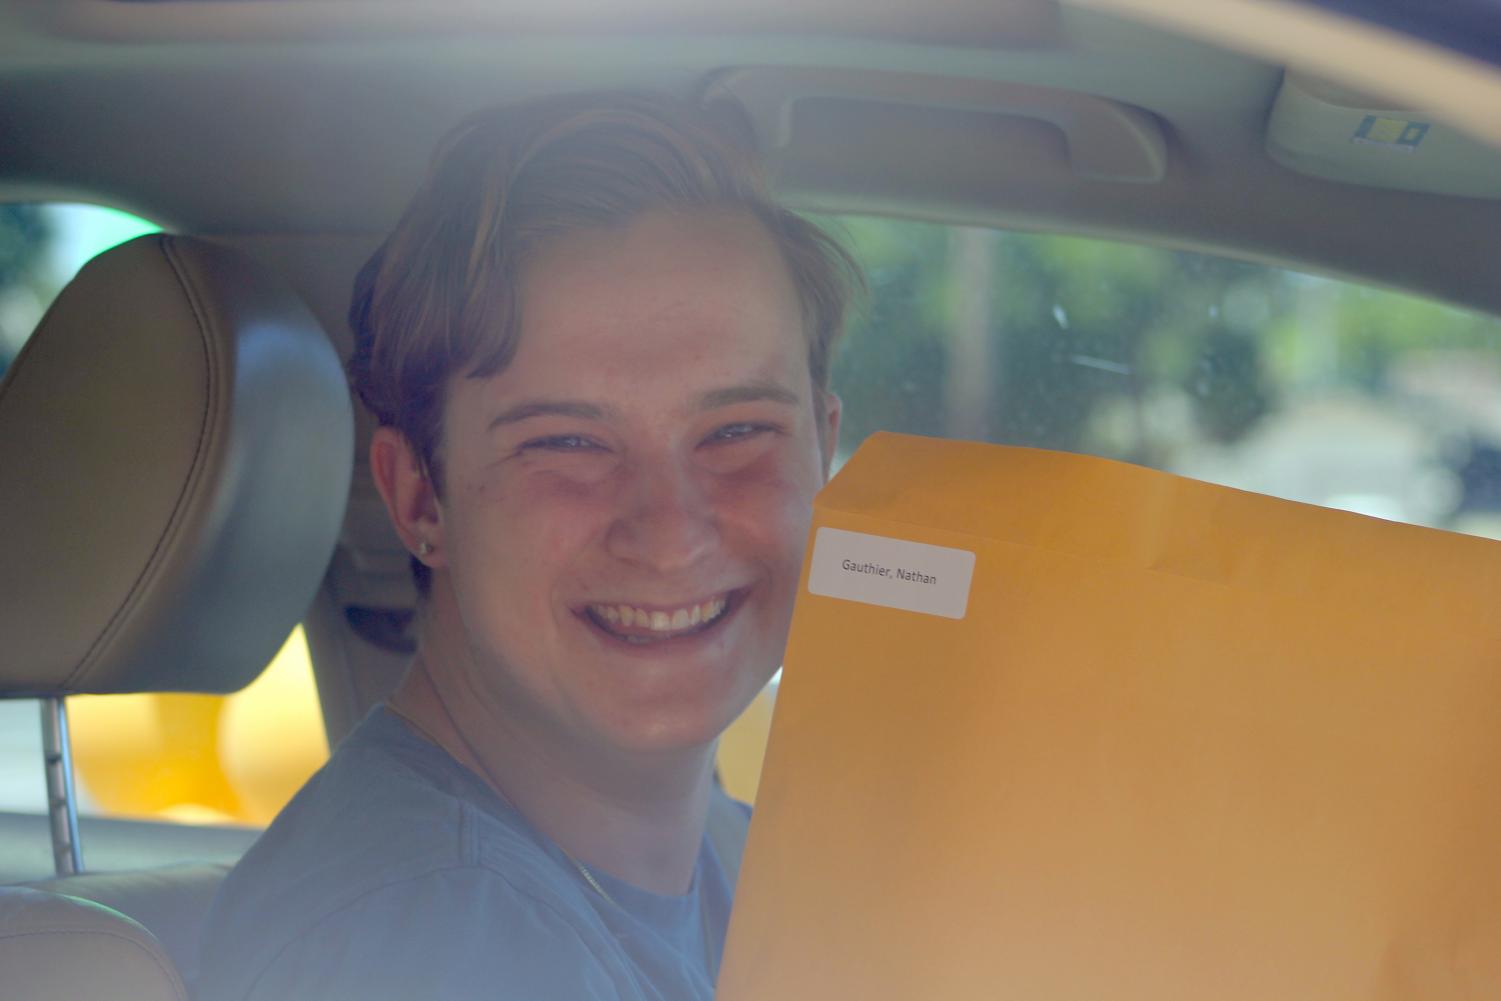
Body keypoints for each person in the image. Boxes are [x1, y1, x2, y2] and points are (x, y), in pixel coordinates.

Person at [196, 92, 859, 1001]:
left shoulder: (741, 865)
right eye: (566, 443)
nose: (669, 531)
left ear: (824, 450)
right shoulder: (423, 937)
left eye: (736, 429)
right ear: (419, 496)